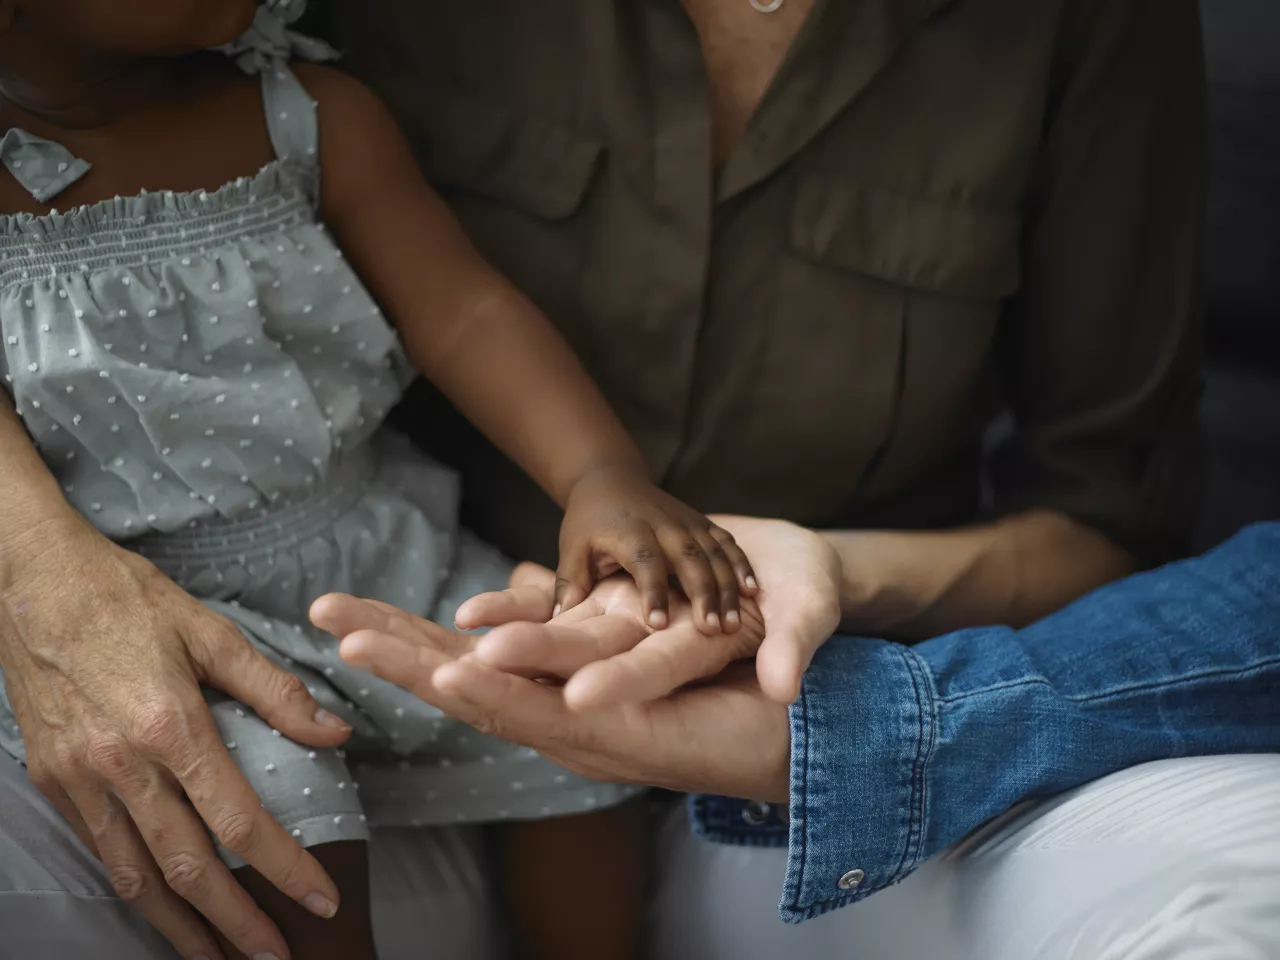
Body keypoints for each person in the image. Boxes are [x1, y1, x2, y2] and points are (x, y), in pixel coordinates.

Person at [0, 0, 759, 958]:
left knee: (576, 729)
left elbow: (464, 312)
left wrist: (601, 476)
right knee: (272, 814)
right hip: (154, 618)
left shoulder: (304, 112)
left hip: (381, 553)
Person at [314, 515, 1280, 959]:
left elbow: (1121, 533)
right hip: (456, 770)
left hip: (881, 751)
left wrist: (843, 592)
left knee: (1228, 911)